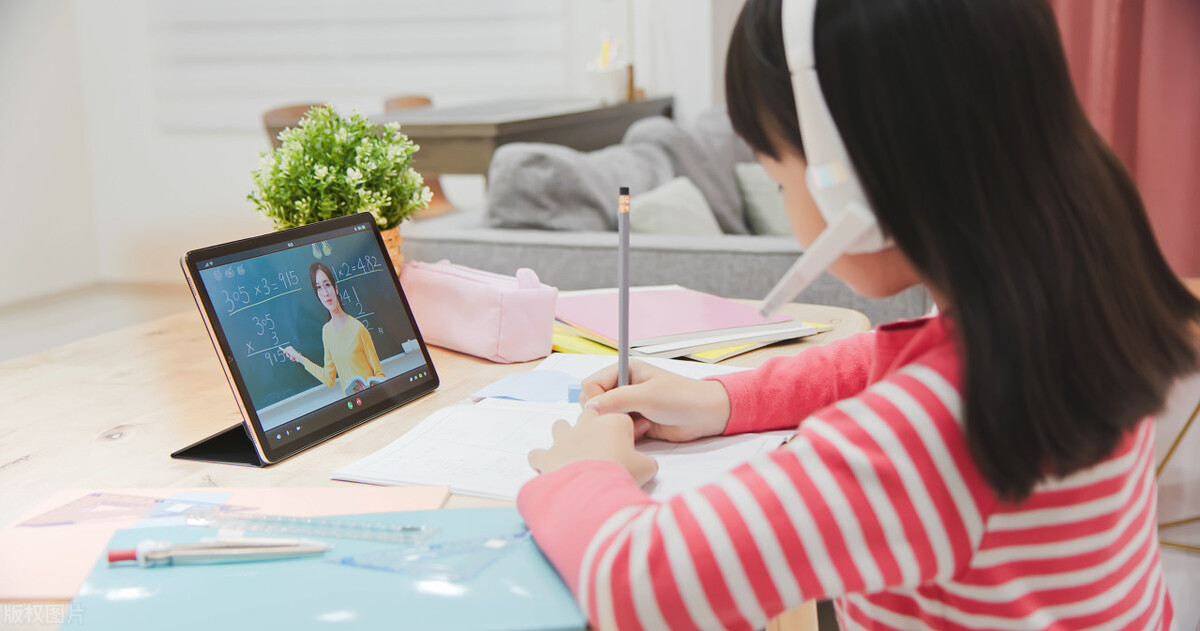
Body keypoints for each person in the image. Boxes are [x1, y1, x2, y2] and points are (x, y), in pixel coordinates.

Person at [517, 0, 1200, 629]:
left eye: (779, 177)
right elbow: (881, 357)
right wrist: (719, 398)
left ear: (850, 180)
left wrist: (584, 470)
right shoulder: (1078, 292)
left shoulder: (930, 435)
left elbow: (637, 585)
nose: (787, 202)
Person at [281, 261, 385, 395]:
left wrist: (371, 387)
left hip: (372, 397)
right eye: (319, 288)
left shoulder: (358, 328)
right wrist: (299, 358)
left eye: (327, 285)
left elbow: (379, 374)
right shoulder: (326, 331)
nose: (325, 293)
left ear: (335, 288)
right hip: (353, 403)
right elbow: (329, 379)